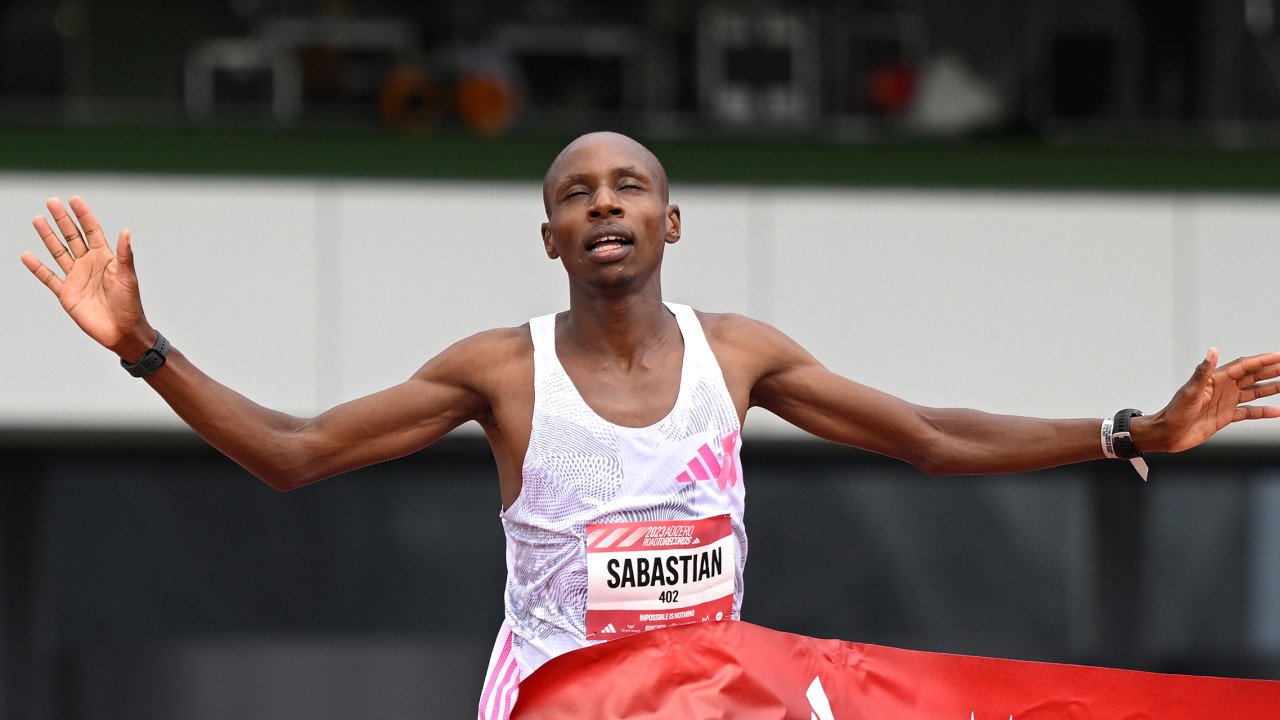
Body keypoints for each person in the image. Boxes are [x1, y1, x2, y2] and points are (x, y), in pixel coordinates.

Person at [20, 131, 1280, 719]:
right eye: (576, 193)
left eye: (629, 187)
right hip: (561, 703)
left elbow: (926, 436)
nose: (603, 204)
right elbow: (292, 455)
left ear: (669, 223)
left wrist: (1125, 431)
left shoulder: (735, 357)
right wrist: (142, 347)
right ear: (551, 235)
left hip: (710, 699)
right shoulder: (500, 374)